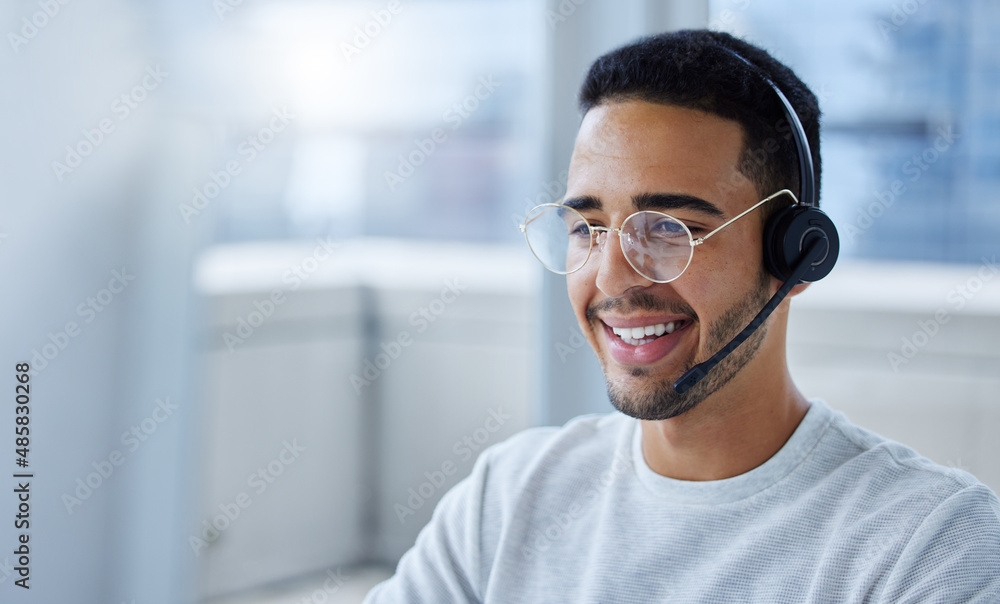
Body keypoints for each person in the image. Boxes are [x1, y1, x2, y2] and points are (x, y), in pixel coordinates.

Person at [363, 30, 1000, 603]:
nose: (611, 278)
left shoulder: (930, 548)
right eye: (587, 228)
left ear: (796, 253)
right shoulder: (509, 496)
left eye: (671, 230)